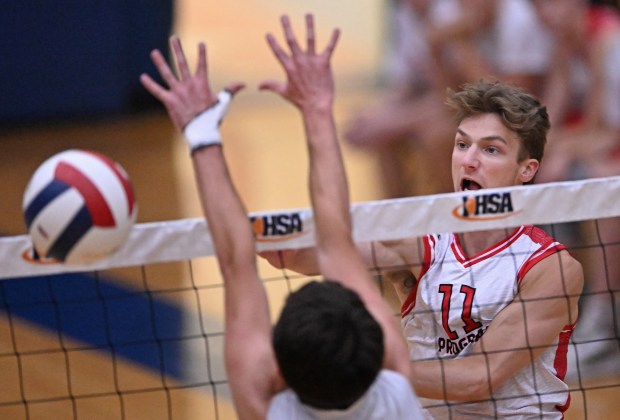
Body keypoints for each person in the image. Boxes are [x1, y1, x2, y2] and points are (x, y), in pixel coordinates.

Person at [140, 14, 425, 419]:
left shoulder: (266, 407)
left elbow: (238, 258)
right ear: (378, 347)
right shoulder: (396, 383)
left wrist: (201, 132)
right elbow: (327, 243)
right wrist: (317, 109)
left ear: (278, 370)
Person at [262, 79, 584, 418]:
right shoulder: (417, 243)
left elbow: (479, 378)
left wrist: (362, 368)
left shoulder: (551, 268)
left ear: (526, 170)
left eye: (490, 150)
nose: (469, 161)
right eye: (462, 145)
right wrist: (276, 245)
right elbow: (318, 257)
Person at [345, 0, 552, 199]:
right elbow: (448, 95)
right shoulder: (446, 15)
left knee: (437, 135)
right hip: (476, 110)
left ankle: (457, 215)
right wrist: (437, 52)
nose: (466, 5)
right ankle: (400, 222)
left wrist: (459, 44)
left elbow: (510, 103)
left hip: (520, 117)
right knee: (390, 135)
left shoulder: (518, 20)